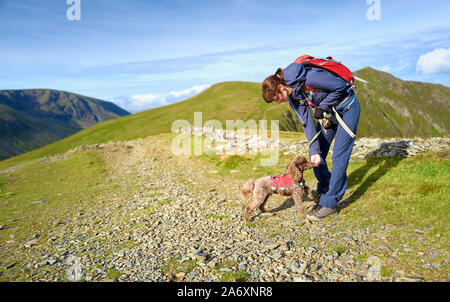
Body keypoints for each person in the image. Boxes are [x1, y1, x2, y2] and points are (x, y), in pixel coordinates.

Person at [261, 58, 361, 220]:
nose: (278, 102)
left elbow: (341, 87)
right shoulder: (294, 96)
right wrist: (314, 151)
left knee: (339, 155)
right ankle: (326, 187)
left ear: (280, 87)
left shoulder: (309, 77)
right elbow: (307, 124)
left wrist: (322, 107)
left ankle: (330, 204)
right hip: (329, 116)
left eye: (277, 98)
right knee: (317, 153)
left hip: (347, 109)